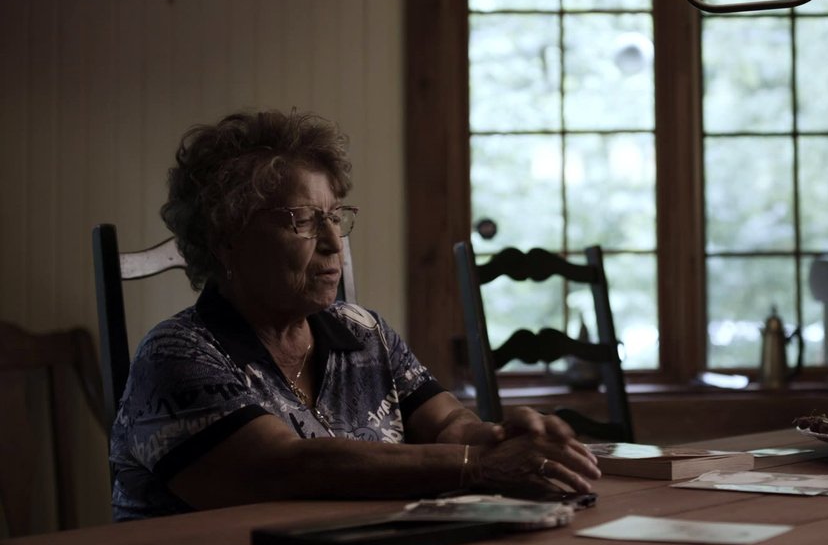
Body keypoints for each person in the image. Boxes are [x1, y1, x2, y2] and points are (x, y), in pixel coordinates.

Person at [109, 109, 601, 521]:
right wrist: (479, 465)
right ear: (226, 238)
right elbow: (286, 468)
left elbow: (446, 422)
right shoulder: (177, 354)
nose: (333, 243)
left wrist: (498, 438)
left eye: (335, 216)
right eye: (303, 221)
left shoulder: (363, 331)